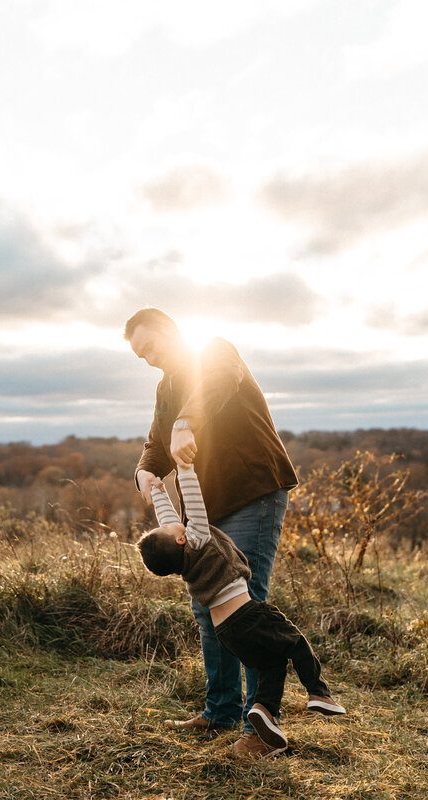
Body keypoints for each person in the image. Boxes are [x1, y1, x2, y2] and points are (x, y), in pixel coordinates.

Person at [125, 307, 300, 756]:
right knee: (208, 608)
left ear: (169, 330)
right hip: (207, 511)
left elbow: (216, 385)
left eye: (150, 347)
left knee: (246, 611)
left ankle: (263, 730)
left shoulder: (216, 353)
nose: (148, 358)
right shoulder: (166, 387)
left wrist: (187, 422)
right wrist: (145, 471)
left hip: (252, 493)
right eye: (140, 355)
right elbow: (156, 441)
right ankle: (220, 711)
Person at [138, 464, 344, 756]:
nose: (167, 521)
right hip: (248, 616)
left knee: (272, 663)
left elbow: (167, 518)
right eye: (166, 528)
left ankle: (264, 711)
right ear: (182, 538)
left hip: (227, 634)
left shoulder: (183, 558)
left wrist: (158, 490)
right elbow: (194, 503)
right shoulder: (198, 538)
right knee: (295, 642)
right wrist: (185, 469)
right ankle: (319, 693)